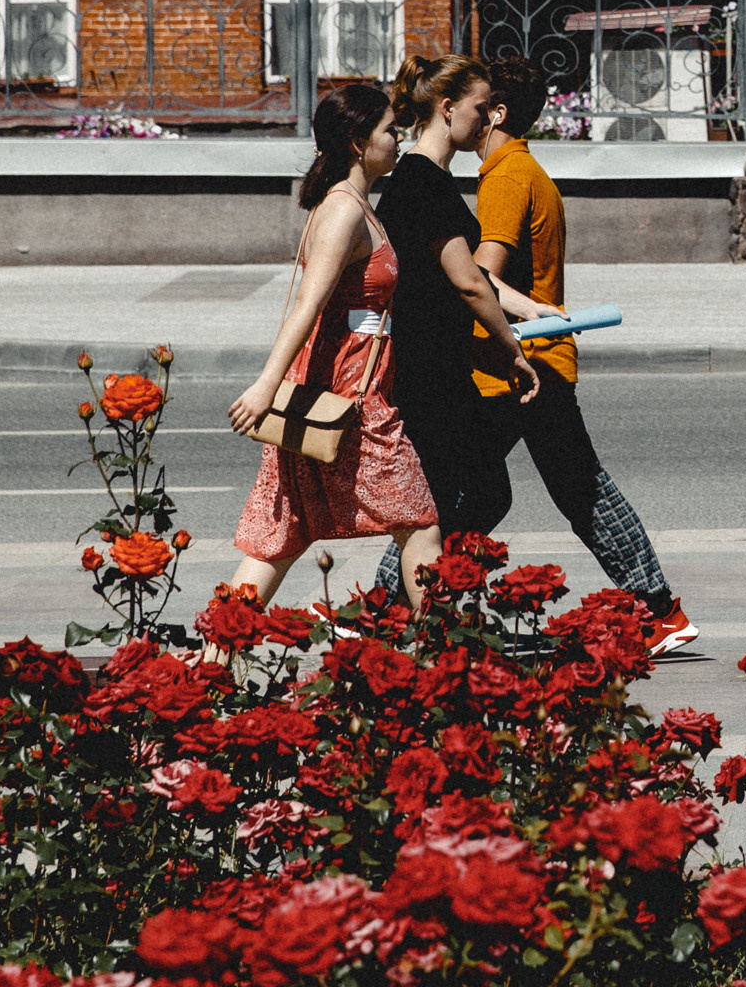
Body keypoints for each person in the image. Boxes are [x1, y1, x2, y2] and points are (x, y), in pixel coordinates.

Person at [366, 56, 697, 652]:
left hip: (514, 370)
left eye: (486, 104)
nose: (478, 115)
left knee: (497, 490)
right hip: (514, 362)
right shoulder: (509, 173)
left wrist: (521, 325)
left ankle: (387, 605)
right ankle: (394, 604)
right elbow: (477, 279)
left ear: (495, 113)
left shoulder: (506, 178)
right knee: (494, 489)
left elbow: (478, 279)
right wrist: (531, 312)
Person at [227, 75, 444, 608]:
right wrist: (264, 387)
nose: (400, 140)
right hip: (351, 399)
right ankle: (444, 660)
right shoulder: (345, 210)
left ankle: (211, 661)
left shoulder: (353, 205)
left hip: (341, 389)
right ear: (357, 142)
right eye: (392, 131)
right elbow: (308, 304)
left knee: (281, 536)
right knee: (420, 525)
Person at [379, 54, 540, 532]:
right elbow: (468, 283)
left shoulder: (424, 178)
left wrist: (528, 307)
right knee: (472, 496)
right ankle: (413, 599)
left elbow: (472, 275)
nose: (489, 118)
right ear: (448, 108)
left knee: (457, 497)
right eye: (482, 107)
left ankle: (420, 600)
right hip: (429, 372)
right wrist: (512, 349)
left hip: (436, 367)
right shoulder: (426, 181)